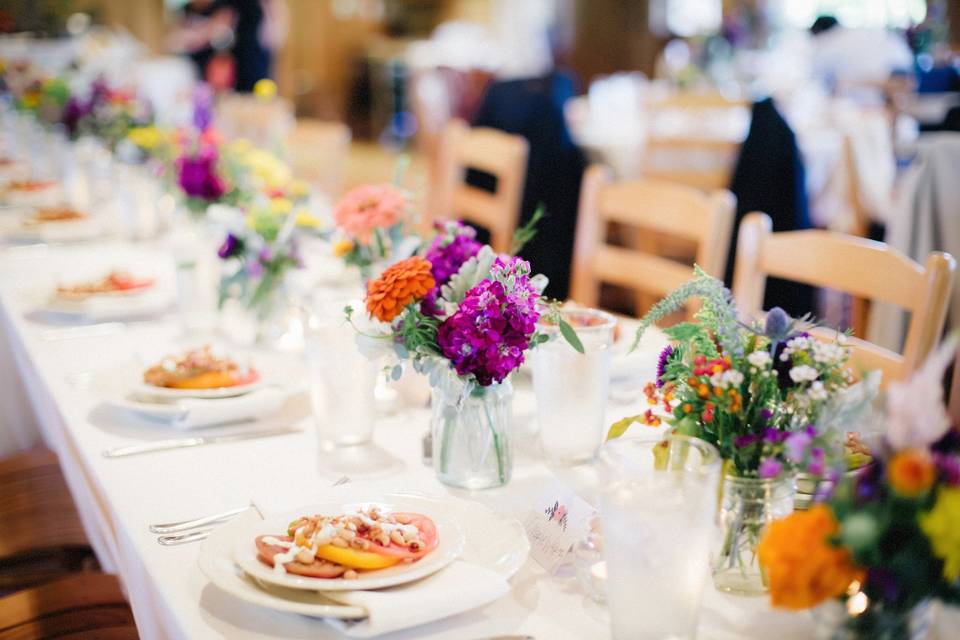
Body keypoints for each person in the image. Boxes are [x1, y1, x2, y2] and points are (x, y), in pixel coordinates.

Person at [168, 0, 288, 92]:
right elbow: (221, 22)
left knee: (257, 89)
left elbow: (275, 17)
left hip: (255, 49)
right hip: (237, 51)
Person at [809, 14, 913, 106]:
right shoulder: (860, 32)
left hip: (866, 103)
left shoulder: (828, 41)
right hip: (900, 86)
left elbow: (813, 75)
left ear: (817, 31)